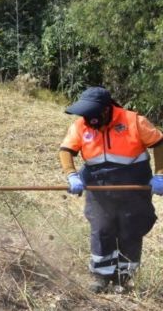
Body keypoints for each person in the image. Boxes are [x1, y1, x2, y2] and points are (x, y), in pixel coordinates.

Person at [59, 86, 163, 293]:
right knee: (102, 228)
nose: (88, 118)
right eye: (85, 114)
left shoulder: (134, 121)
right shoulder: (81, 126)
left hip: (133, 185)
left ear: (107, 109)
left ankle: (124, 278)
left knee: (130, 229)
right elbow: (66, 150)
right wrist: (71, 174)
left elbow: (159, 143)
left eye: (92, 113)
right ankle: (101, 276)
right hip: (98, 186)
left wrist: (160, 174)